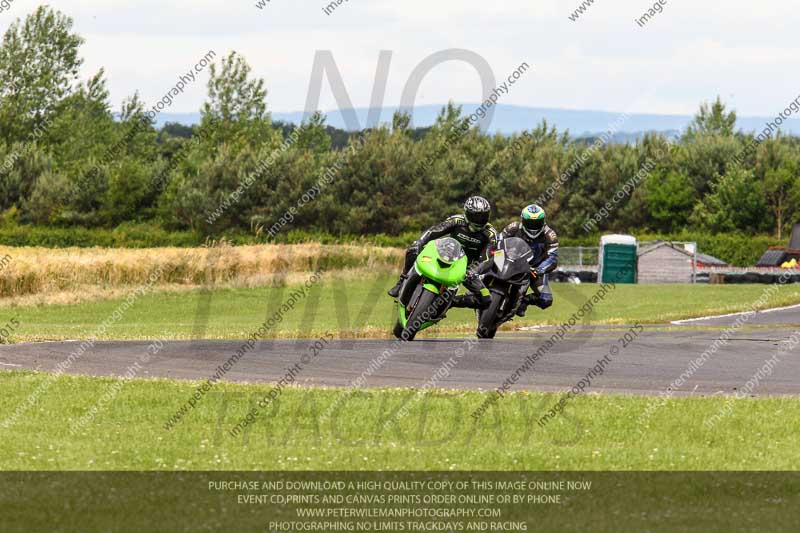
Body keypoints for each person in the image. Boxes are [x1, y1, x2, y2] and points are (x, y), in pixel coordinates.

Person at [387, 196, 497, 306]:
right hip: (443, 256)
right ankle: (402, 281)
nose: (480, 220)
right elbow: (434, 231)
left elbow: (488, 258)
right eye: (477, 216)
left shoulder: (490, 234)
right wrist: (419, 242)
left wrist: (475, 271)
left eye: (484, 216)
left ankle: (452, 302)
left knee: (486, 299)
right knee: (413, 250)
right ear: (467, 214)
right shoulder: (456, 221)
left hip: (467, 270)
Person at [500, 204, 559, 317]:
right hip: (511, 263)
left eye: (537, 223)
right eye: (530, 222)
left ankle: (524, 301)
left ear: (543, 221)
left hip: (534, 269)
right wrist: (499, 257)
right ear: (522, 220)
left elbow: (553, 258)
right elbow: (498, 242)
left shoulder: (550, 235)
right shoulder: (513, 227)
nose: (533, 226)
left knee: (546, 300)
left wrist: (539, 270)